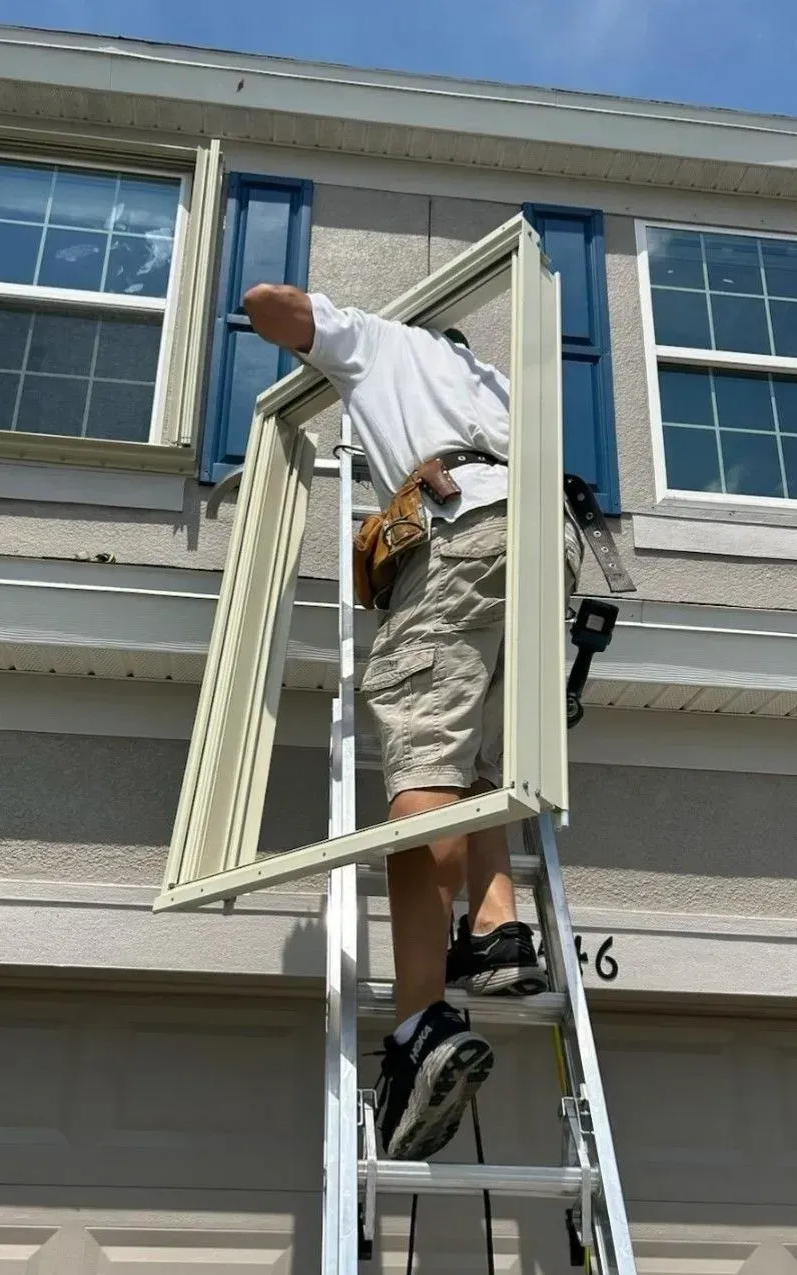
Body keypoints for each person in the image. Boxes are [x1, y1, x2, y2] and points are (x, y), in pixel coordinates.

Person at [243, 283, 555, 1164]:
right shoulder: (498, 383)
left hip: (461, 532)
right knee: (480, 763)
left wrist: (322, 332)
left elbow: (268, 305)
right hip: (547, 550)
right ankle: (495, 931)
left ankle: (422, 1022)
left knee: (423, 775)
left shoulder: (383, 343)